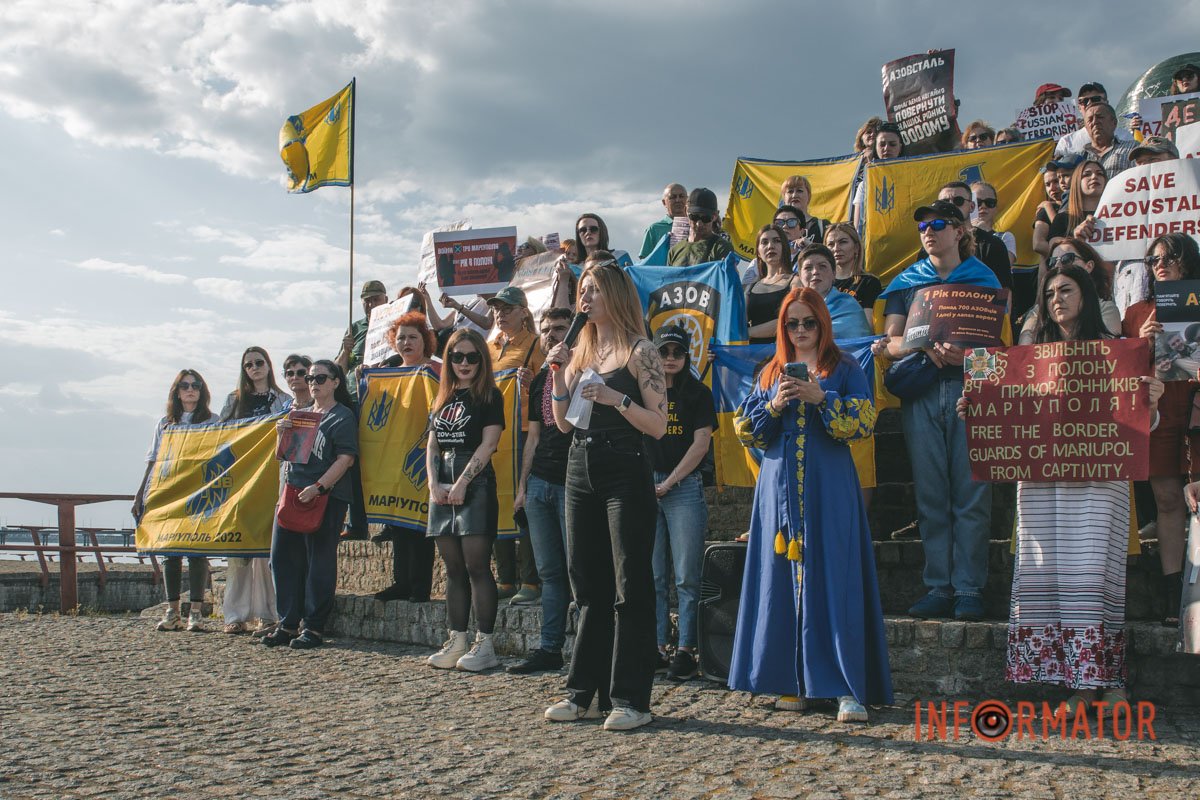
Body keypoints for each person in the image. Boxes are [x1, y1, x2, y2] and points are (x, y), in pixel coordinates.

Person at [961, 264, 1162, 713]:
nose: (1056, 299)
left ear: (1086, 296)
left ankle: (1107, 682)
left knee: (1094, 577)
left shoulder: (1117, 351)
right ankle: (1078, 684)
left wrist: (1152, 400)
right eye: (1049, 292)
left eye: (1066, 290)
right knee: (1051, 575)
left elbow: (1141, 424)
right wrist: (975, 408)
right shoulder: (1027, 357)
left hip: (1098, 482)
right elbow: (998, 405)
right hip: (1041, 483)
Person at [728, 287, 891, 722]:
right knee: (778, 582)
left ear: (823, 323)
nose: (800, 331)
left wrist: (823, 399)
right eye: (791, 323)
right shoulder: (769, 374)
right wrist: (775, 404)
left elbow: (863, 422)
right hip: (777, 495)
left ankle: (844, 687)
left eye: (809, 322)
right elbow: (744, 429)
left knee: (835, 580)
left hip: (831, 490)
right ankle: (792, 680)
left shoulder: (847, 368)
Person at [543, 253, 668, 731]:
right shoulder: (581, 349)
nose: (585, 298)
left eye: (593, 289)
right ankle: (582, 693)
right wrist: (557, 375)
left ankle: (631, 699)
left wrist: (619, 399)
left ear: (614, 295)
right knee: (588, 585)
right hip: (580, 463)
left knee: (629, 583)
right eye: (582, 290)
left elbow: (657, 425)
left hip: (625, 464)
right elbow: (561, 421)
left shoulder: (642, 351)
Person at [873, 200, 1001, 621]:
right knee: (930, 495)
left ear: (960, 231)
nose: (929, 231)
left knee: (971, 495)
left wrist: (965, 362)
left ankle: (968, 589)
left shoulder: (984, 278)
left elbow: (999, 349)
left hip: (971, 395)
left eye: (938, 224)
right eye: (923, 225)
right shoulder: (908, 282)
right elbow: (889, 345)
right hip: (922, 394)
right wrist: (921, 345)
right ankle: (938, 586)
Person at [1123, 233, 1200, 627]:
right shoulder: (1138, 313)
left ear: (1189, 261)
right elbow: (1121, 371)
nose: (1161, 264)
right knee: (1169, 500)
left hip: (1197, 407)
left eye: (1171, 256)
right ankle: (1175, 596)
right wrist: (1140, 343)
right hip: (1161, 413)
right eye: (1154, 260)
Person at [424, 329, 505, 672]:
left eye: (472, 357)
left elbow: (489, 444)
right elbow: (432, 444)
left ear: (482, 360)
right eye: (457, 357)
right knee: (452, 568)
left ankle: (485, 644)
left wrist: (463, 482)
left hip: (476, 484)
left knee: (476, 566)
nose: (464, 363)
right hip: (441, 485)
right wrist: (433, 483)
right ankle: (457, 638)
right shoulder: (442, 398)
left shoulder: (490, 396)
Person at [262, 361, 358, 649]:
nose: (313, 382)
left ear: (335, 383)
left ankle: (314, 627)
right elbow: (285, 456)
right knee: (282, 558)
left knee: (319, 561)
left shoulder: (343, 417)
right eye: (310, 377)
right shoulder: (300, 414)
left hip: (326, 495)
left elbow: (346, 458)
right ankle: (288, 622)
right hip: (293, 491)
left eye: (320, 378)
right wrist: (282, 433)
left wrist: (319, 487)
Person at [508, 308, 574, 675]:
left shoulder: (582, 372)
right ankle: (550, 649)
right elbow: (532, 438)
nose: (551, 335)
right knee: (549, 573)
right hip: (540, 484)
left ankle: (586, 647)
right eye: (546, 329)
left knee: (578, 570)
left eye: (560, 329)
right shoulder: (538, 382)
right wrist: (523, 486)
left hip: (573, 483)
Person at [647, 325, 715, 682]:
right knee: (654, 576)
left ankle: (687, 649)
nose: (670, 359)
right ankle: (658, 646)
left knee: (687, 576)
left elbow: (701, 444)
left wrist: (669, 481)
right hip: (648, 486)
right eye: (664, 352)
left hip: (684, 487)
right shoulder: (647, 392)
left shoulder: (698, 394)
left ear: (687, 356)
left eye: (677, 353)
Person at [134, 370, 215, 633]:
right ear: (176, 391)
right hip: (168, 490)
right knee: (170, 551)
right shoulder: (165, 423)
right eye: (184, 386)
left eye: (195, 385)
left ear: (202, 391)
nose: (190, 390)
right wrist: (141, 493)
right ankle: (172, 610)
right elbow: (153, 460)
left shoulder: (213, 421)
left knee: (197, 552)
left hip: (199, 492)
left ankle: (196, 612)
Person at [219, 346, 290, 635]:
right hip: (240, 481)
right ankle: (235, 614)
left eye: (259, 363)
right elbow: (220, 434)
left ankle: (267, 613)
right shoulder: (233, 401)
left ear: (268, 365)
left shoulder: (283, 400)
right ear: (243, 369)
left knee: (265, 552)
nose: (255, 368)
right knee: (238, 552)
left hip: (271, 480)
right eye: (249, 364)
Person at [373, 313, 440, 604]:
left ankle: (419, 585)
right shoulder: (387, 374)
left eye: (413, 336)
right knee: (398, 522)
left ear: (425, 340)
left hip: (425, 452)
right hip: (394, 456)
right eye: (400, 337)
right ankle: (400, 581)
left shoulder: (438, 370)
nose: (406, 342)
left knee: (420, 523)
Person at [484, 286, 544, 604]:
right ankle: (506, 577)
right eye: (497, 308)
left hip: (522, 432)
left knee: (522, 505)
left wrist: (532, 383)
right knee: (496, 502)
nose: (500, 313)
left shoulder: (536, 344)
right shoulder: (488, 348)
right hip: (494, 434)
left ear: (523, 311)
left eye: (507, 308)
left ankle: (531, 579)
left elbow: (548, 387)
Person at [335, 280, 387, 540]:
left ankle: (390, 521)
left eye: (375, 298)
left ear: (385, 299)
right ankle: (357, 523)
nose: (370, 304)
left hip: (382, 402)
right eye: (366, 299)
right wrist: (345, 350)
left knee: (383, 461)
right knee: (353, 462)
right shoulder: (355, 328)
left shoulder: (394, 322)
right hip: (353, 400)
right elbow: (337, 370)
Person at [1113, 138, 1182, 316]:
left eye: (1153, 161)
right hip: (1133, 299)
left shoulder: (1194, 197)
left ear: (1175, 162)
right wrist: (1091, 236)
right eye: (1140, 163)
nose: (1145, 168)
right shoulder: (1119, 208)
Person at [1019, 238, 1119, 343]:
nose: (1057, 266)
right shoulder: (1038, 311)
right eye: (1053, 262)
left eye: (1067, 259)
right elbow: (1026, 351)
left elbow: (1107, 350)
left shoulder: (1106, 308)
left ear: (1089, 266)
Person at [935, 182, 1012, 293]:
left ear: (972, 206)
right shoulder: (930, 244)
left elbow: (1004, 295)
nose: (951, 206)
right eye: (944, 202)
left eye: (958, 201)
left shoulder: (992, 244)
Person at [795, 244, 872, 338]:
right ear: (799, 275)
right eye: (808, 268)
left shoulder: (847, 306)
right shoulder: (794, 307)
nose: (815, 272)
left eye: (822, 266)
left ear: (834, 274)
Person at [746, 225, 799, 344]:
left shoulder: (795, 282)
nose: (770, 246)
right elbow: (737, 324)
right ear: (758, 252)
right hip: (752, 358)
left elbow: (790, 320)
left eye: (777, 241)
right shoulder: (750, 287)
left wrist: (748, 332)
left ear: (785, 247)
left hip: (783, 354)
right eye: (764, 242)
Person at [852, 122, 904, 232]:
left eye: (892, 144)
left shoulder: (911, 178)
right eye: (882, 144)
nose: (887, 148)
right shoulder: (865, 184)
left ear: (900, 147)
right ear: (875, 147)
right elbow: (858, 226)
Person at [1048, 159, 1107, 246]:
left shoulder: (1120, 215)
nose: (1094, 176)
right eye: (1087, 174)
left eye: (1100, 173)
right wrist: (1076, 239)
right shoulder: (1062, 218)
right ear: (1077, 181)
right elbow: (1054, 248)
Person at [668, 188, 733, 267]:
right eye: (694, 217)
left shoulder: (721, 247)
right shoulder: (674, 250)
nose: (699, 224)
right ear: (686, 211)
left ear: (715, 216)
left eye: (706, 218)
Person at [825, 222, 882, 310]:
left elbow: (866, 321)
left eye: (843, 242)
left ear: (856, 247)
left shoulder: (869, 282)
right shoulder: (821, 282)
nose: (836, 248)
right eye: (831, 244)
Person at [1079, 103, 1137, 178]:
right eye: (1090, 119)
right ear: (1086, 127)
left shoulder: (1133, 149)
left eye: (1100, 117)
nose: (1095, 122)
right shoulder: (1079, 157)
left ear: (1114, 123)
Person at [639, 184, 687, 259]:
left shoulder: (697, 226)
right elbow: (645, 262)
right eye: (673, 197)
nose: (678, 200)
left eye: (681, 196)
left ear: (687, 199)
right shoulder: (654, 229)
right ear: (664, 202)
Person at [779, 175, 831, 243]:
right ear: (784, 198)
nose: (794, 195)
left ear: (809, 196)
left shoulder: (822, 226)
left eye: (799, 191)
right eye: (790, 191)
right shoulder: (778, 228)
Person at [1032, 163, 1062, 261]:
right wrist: (1066, 256)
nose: (1052, 188)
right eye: (1047, 184)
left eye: (1056, 181)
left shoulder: (1082, 205)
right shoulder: (1044, 209)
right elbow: (1038, 244)